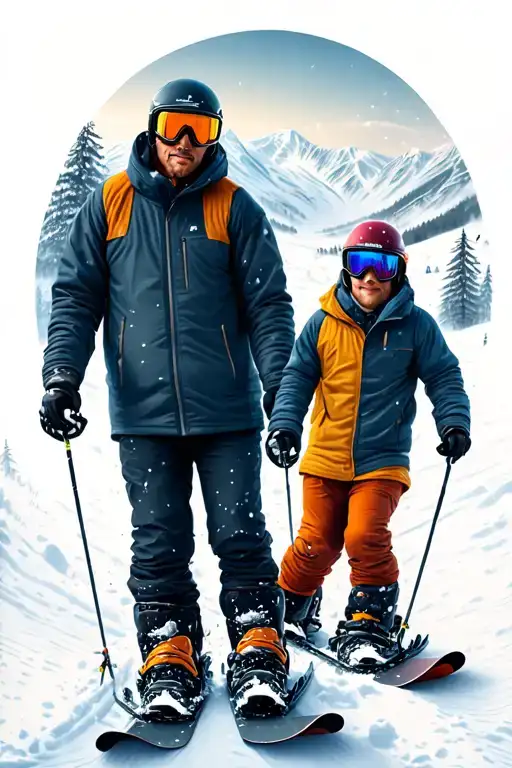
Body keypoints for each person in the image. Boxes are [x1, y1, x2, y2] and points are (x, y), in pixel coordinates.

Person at [39, 78, 296, 716]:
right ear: (153, 127)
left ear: (214, 136)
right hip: (143, 412)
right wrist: (61, 376)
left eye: (201, 130)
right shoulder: (109, 203)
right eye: (175, 126)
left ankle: (259, 647)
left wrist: (281, 399)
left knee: (240, 533)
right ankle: (169, 651)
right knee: (158, 539)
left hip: (228, 411)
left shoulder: (236, 207)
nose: (185, 143)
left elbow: (269, 307)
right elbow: (76, 297)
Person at [265, 219, 471, 662]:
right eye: (359, 264)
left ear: (398, 270)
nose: (370, 277)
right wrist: (285, 426)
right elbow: (297, 378)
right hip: (324, 457)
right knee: (316, 541)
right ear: (346, 269)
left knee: (363, 535)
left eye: (382, 265)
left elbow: (444, 376)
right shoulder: (321, 325)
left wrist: (454, 423)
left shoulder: (416, 326)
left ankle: (370, 619)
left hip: (382, 460)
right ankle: (292, 603)